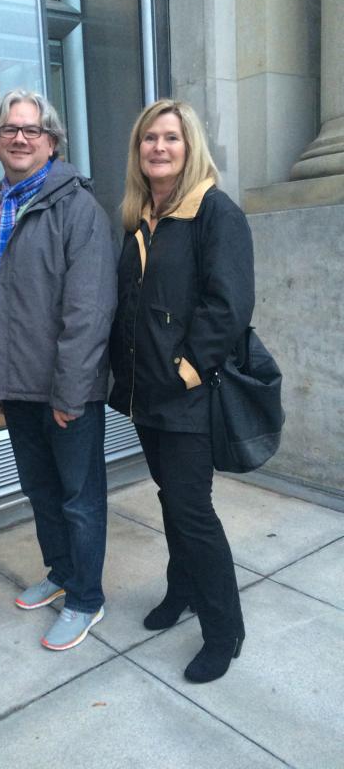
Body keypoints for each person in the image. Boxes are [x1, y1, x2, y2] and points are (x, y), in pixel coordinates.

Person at [109, 99, 254, 683]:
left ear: (189, 147)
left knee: (193, 512)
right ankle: (183, 590)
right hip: (147, 398)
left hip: (189, 395)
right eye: (149, 139)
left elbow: (230, 306)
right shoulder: (138, 218)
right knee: (171, 500)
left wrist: (187, 370)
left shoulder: (215, 213)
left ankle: (225, 630)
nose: (159, 148)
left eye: (171, 138)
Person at [0, 89, 117, 651]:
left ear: (52, 142)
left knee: (80, 497)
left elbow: (89, 311)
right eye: (10, 129)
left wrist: (72, 391)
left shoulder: (78, 209)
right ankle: (61, 573)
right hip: (17, 387)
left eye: (32, 130)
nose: (20, 138)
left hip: (65, 391)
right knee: (40, 490)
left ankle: (86, 598)